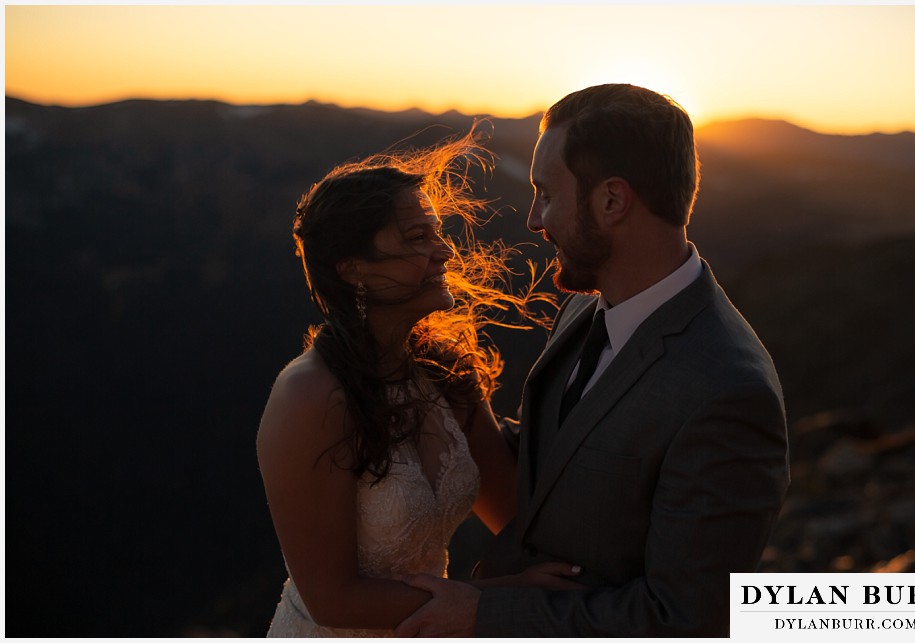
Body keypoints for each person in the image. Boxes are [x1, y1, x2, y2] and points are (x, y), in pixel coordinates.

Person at [395, 83, 791, 637]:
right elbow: (557, 468)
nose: (535, 219)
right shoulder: (586, 311)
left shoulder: (725, 389)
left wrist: (484, 614)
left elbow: (688, 619)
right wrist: (440, 378)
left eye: (545, 195)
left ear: (611, 201)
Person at [256, 126, 575, 637]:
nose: (444, 252)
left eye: (436, 233)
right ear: (353, 269)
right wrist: (507, 594)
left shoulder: (446, 377)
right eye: (416, 239)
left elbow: (514, 512)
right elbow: (333, 602)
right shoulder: (309, 398)